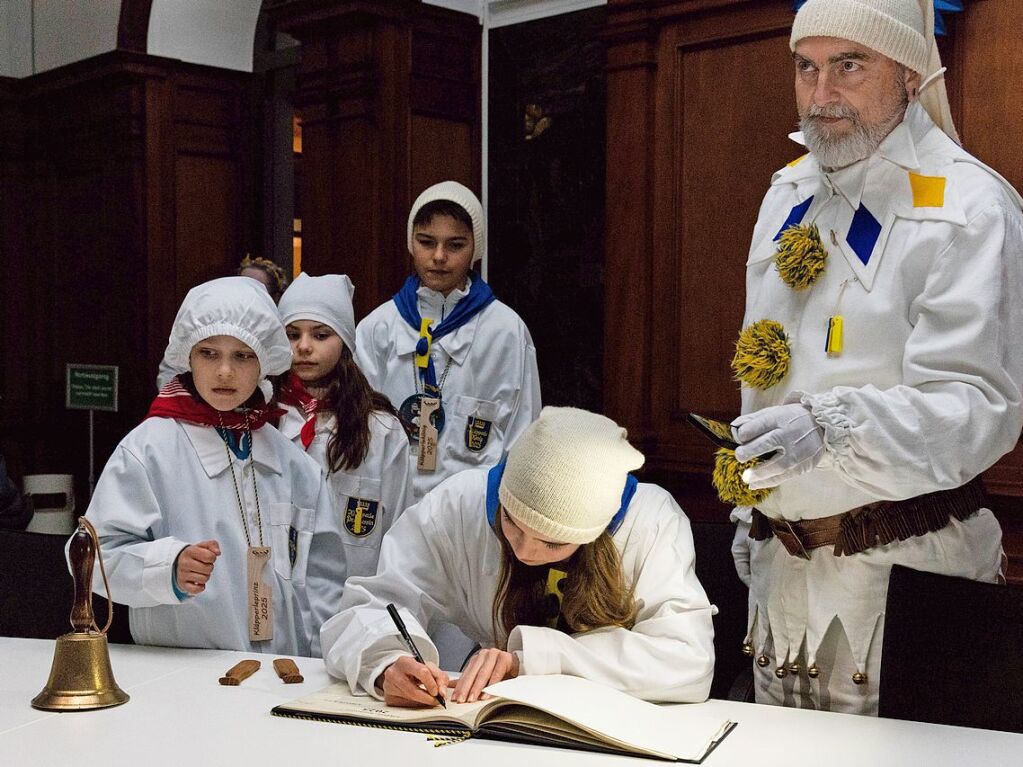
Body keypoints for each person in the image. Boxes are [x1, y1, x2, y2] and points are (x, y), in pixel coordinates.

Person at [721, 0, 1023, 716]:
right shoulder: (785, 194)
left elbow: (975, 407)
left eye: (848, 66)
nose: (820, 94)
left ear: (911, 76)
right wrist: (749, 513)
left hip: (905, 581)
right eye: (806, 67)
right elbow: (764, 369)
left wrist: (832, 425)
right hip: (779, 579)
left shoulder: (971, 208)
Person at [321, 407, 715, 706]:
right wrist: (386, 662)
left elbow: (687, 661)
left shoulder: (650, 521)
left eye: (554, 544)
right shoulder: (459, 504)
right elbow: (371, 605)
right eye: (511, 523)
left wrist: (530, 659)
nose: (526, 551)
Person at [79, 277, 346, 657]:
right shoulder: (150, 448)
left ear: (265, 363)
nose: (224, 371)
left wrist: (316, 660)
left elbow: (324, 575)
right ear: (187, 356)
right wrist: (165, 568)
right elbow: (91, 553)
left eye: (242, 355)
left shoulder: (291, 462)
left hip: (280, 673)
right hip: (180, 673)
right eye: (208, 353)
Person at [355, 181, 541, 505]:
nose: (438, 257)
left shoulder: (506, 331)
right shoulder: (378, 328)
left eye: (455, 245)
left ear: (475, 250)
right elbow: (358, 428)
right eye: (426, 242)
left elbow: (522, 439)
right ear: (411, 244)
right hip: (394, 511)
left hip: (473, 515)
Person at [276, 273, 412, 578]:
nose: (304, 346)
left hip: (353, 608)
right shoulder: (264, 420)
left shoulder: (381, 431)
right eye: (292, 335)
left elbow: (399, 538)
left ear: (345, 343)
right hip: (277, 605)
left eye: (321, 335)